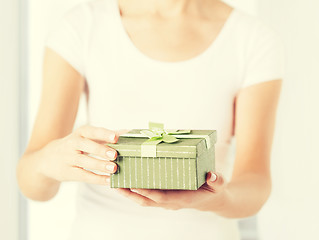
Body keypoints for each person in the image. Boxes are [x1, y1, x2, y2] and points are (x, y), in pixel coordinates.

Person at [16, 0, 284, 239]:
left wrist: (217, 198)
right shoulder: (82, 25)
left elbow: (255, 185)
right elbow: (33, 185)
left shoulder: (251, 38)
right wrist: (51, 161)